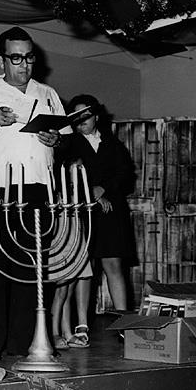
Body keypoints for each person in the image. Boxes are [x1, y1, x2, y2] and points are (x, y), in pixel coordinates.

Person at [0, 26, 65, 360]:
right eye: (16, 58)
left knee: (33, 271)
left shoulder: (48, 93)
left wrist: (56, 141)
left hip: (39, 189)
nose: (24, 65)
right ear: (1, 59)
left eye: (29, 57)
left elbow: (63, 137)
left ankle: (26, 343)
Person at [55, 94, 136, 342]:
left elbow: (125, 175)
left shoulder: (113, 144)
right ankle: (81, 325)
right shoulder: (68, 145)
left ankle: (125, 323)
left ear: (96, 116)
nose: (82, 121)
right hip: (82, 212)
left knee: (114, 266)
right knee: (82, 270)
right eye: (76, 117)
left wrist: (105, 189)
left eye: (86, 116)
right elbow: (65, 174)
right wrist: (90, 191)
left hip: (111, 213)